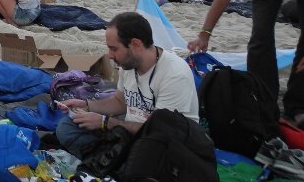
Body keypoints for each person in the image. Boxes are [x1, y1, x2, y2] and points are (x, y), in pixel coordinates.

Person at [57, 12, 199, 158]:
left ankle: (110, 163)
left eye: (114, 49)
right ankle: (111, 161)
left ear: (136, 44)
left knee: (146, 153)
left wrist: (105, 122)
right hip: (130, 134)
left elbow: (160, 131)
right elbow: (120, 101)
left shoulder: (174, 74)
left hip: (165, 143)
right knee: (67, 127)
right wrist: (86, 105)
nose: (110, 56)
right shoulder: (128, 64)